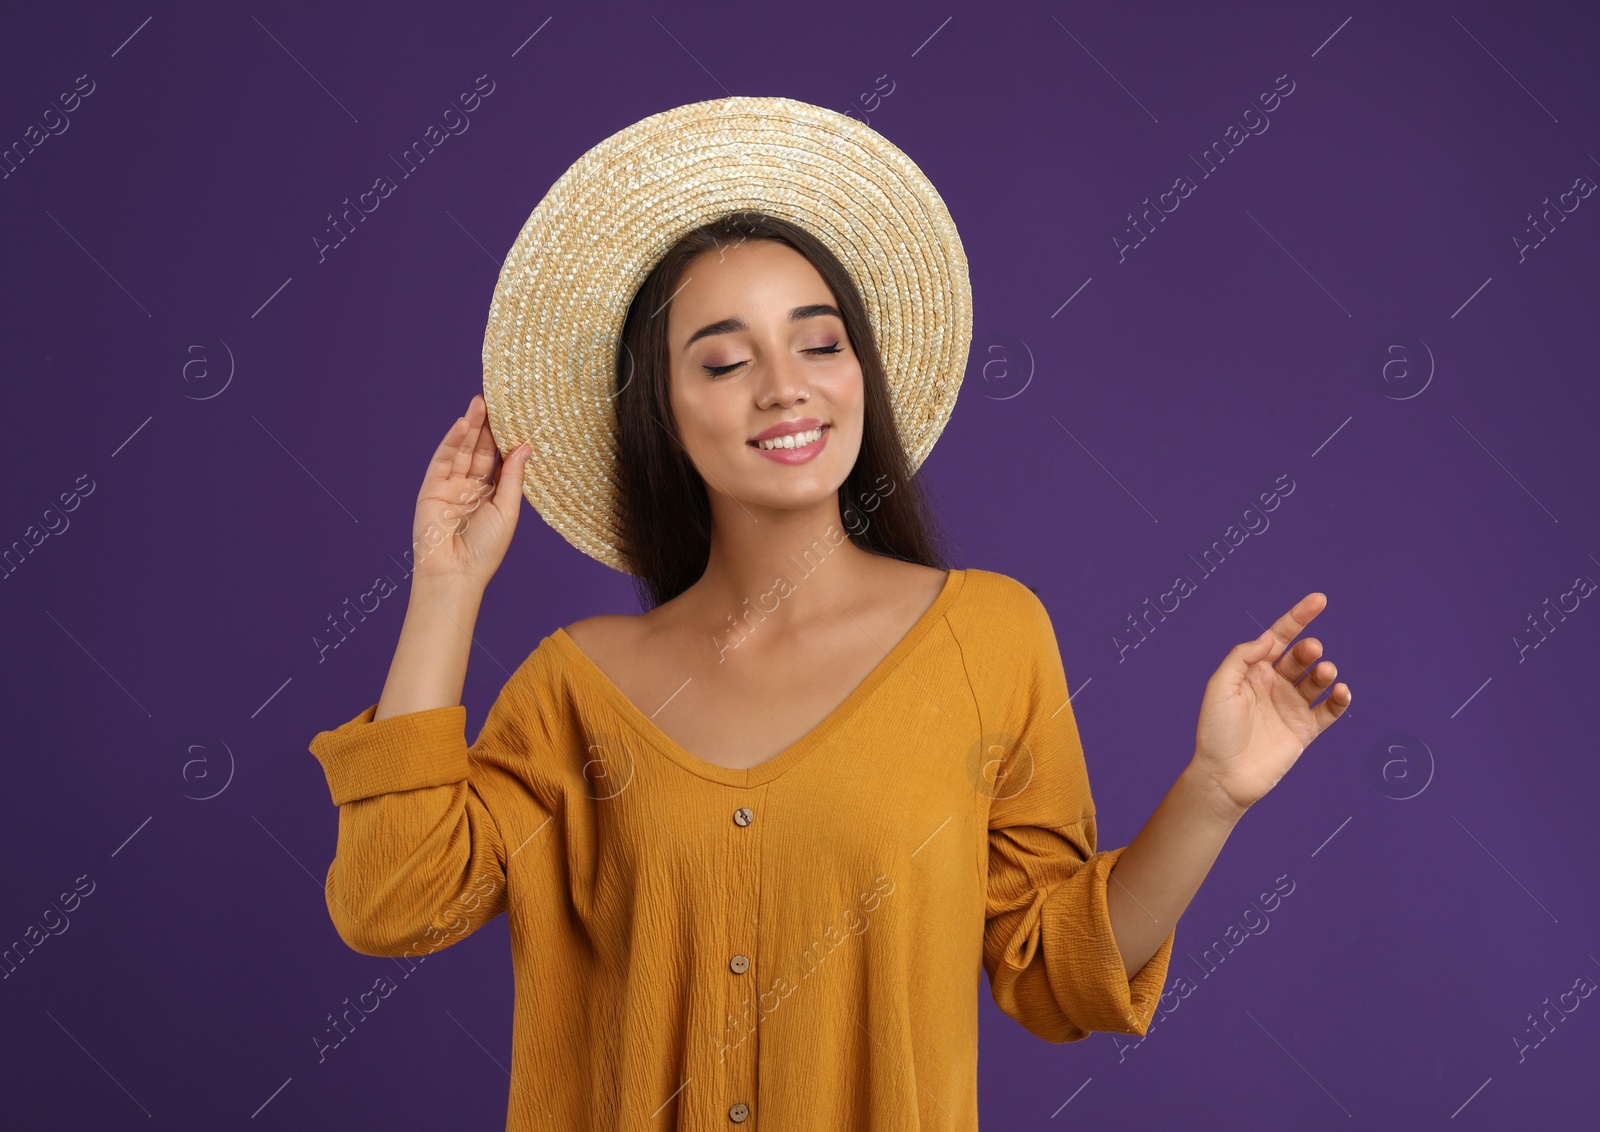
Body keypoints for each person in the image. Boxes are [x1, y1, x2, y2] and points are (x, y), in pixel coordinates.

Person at [307, 98, 1351, 1131]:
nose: (784, 389)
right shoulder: (575, 684)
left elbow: (1056, 973)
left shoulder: (988, 638)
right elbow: (396, 904)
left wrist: (1212, 792)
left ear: (862, 373)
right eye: (722, 360)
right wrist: (445, 588)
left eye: (819, 344)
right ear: (660, 413)